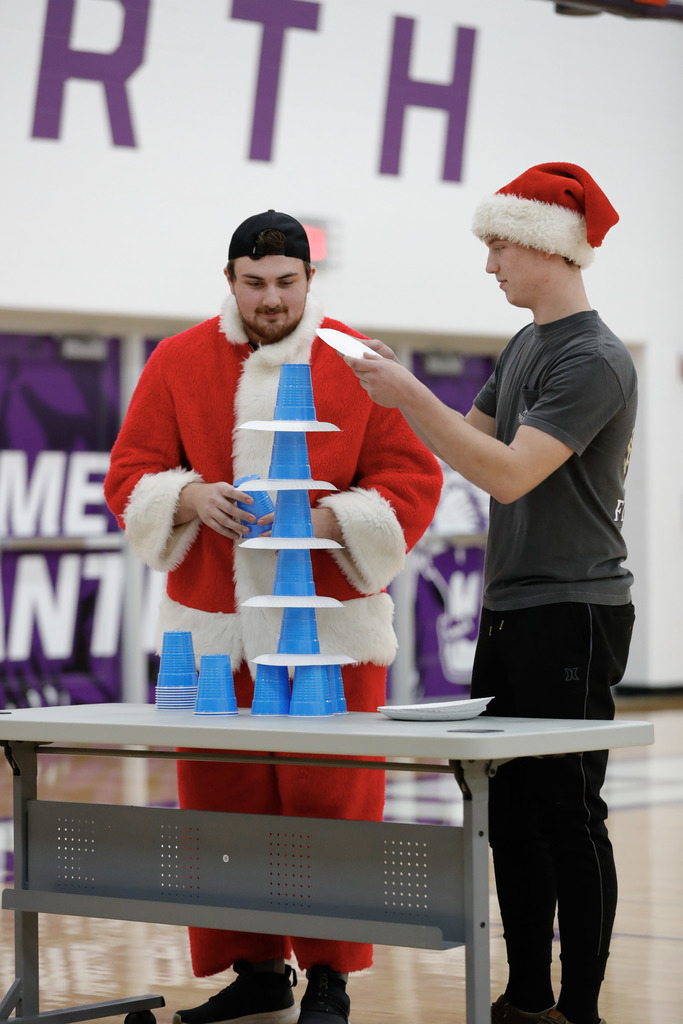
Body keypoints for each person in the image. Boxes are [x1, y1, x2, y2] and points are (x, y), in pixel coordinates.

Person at [104, 209, 442, 1024]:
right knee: (220, 809)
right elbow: (129, 472)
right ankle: (255, 973)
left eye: (286, 283)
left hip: (329, 635)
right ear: (229, 281)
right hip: (212, 634)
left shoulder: (357, 362)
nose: (271, 299)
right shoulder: (177, 359)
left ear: (309, 280)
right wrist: (189, 496)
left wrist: (329, 521)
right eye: (254, 283)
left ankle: (330, 978)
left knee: (333, 808)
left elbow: (411, 481)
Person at [344, 163, 636, 1024]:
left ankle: (580, 1005)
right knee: (507, 811)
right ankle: (526, 993)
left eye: (498, 245)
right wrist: (391, 408)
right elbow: (464, 448)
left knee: (567, 811)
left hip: (575, 610)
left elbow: (507, 475)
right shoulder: (523, 347)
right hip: (512, 609)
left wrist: (409, 393)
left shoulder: (593, 359)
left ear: (548, 246)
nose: (489, 265)